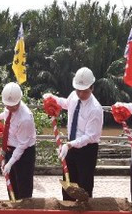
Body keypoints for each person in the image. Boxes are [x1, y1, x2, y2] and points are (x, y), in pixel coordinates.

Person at [43, 67, 103, 200]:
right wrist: (53, 98)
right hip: (71, 146)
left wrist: (69, 145)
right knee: (68, 182)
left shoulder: (95, 109)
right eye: (78, 90)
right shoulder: (73, 96)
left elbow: (89, 136)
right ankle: (67, 205)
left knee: (84, 185)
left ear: (92, 88)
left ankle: (84, 207)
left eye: (84, 91)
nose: (80, 94)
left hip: (86, 150)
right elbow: (66, 103)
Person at [0, 82, 37, 199]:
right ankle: (12, 205)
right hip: (10, 150)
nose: (9, 108)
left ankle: (24, 207)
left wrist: (10, 163)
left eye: (12, 106)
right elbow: (6, 113)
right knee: (12, 187)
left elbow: (22, 146)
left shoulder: (25, 118)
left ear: (19, 100)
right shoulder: (9, 107)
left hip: (24, 154)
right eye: (7, 105)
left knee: (23, 188)